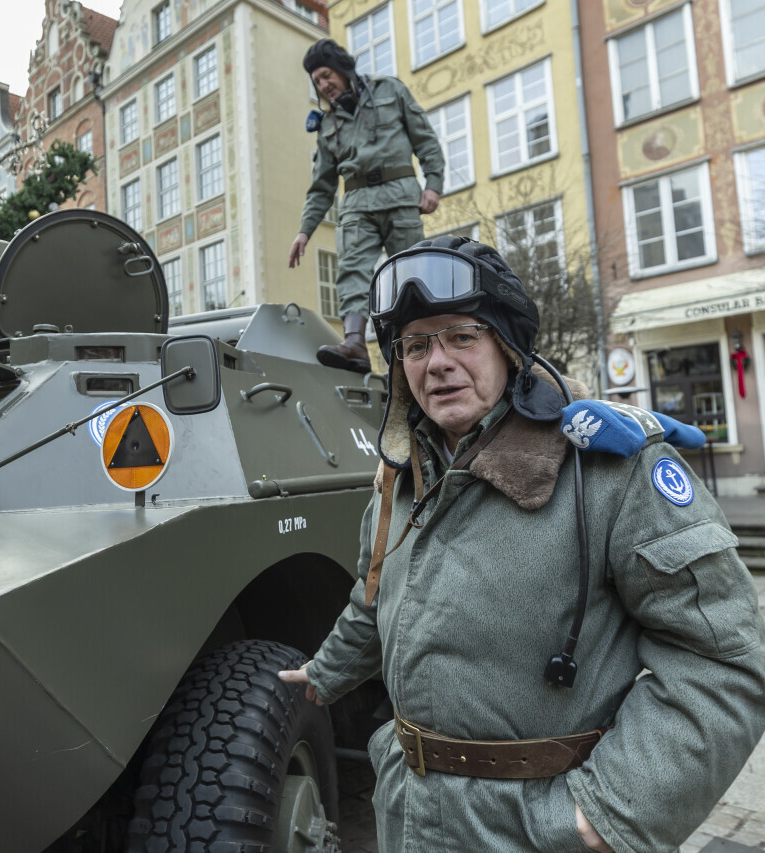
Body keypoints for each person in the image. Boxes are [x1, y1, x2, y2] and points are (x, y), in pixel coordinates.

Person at [279, 237, 765, 852]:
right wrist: (324, 672)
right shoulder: (400, 478)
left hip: (541, 829)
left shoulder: (608, 471)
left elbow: (722, 661)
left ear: (507, 348)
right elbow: (375, 597)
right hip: (407, 815)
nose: (437, 362)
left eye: (462, 337)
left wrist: (609, 813)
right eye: (417, 346)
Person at [288, 39, 444, 374]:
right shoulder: (327, 125)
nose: (323, 85)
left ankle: (421, 343)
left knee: (411, 271)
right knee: (352, 270)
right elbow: (322, 187)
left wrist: (433, 184)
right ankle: (355, 343)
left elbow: (426, 140)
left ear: (342, 69)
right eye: (316, 81)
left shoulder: (390, 91)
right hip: (357, 204)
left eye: (326, 75)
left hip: (400, 195)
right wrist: (304, 231)